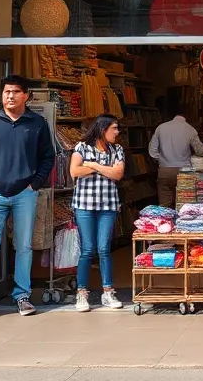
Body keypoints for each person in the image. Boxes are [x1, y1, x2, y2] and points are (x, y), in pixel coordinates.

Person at [0, 74, 55, 323]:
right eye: (6, 92)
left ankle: (22, 296)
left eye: (15, 92)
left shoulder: (36, 124)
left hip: (25, 193)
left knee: (23, 247)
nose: (10, 96)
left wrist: (34, 184)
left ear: (26, 95)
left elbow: (48, 157)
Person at [70, 114, 126, 312]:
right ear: (103, 129)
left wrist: (92, 165)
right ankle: (82, 293)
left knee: (104, 248)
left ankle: (108, 291)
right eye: (114, 128)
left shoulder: (117, 149)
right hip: (84, 205)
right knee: (87, 249)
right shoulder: (82, 146)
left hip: (108, 205)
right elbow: (74, 171)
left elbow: (118, 174)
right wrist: (105, 169)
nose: (117, 132)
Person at [149, 100, 203, 206]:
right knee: (184, 206)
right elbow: (200, 151)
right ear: (186, 116)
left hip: (165, 171)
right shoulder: (190, 129)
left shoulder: (161, 128)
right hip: (184, 171)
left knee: (164, 206)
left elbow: (152, 151)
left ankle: (166, 222)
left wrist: (162, 159)